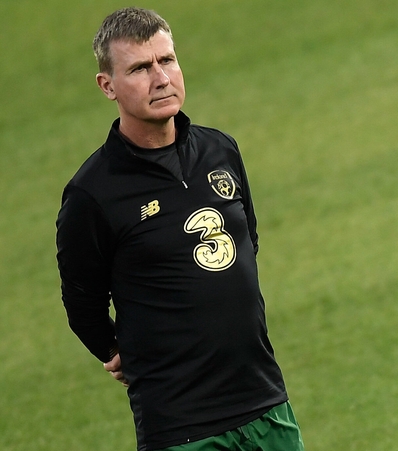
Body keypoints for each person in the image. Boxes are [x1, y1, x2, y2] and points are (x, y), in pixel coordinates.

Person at [56, 7, 304, 451]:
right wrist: (114, 349)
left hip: (265, 403)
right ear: (107, 85)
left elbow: (247, 244)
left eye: (167, 60)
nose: (161, 78)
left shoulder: (220, 150)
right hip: (181, 427)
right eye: (139, 68)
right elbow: (81, 301)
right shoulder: (93, 194)